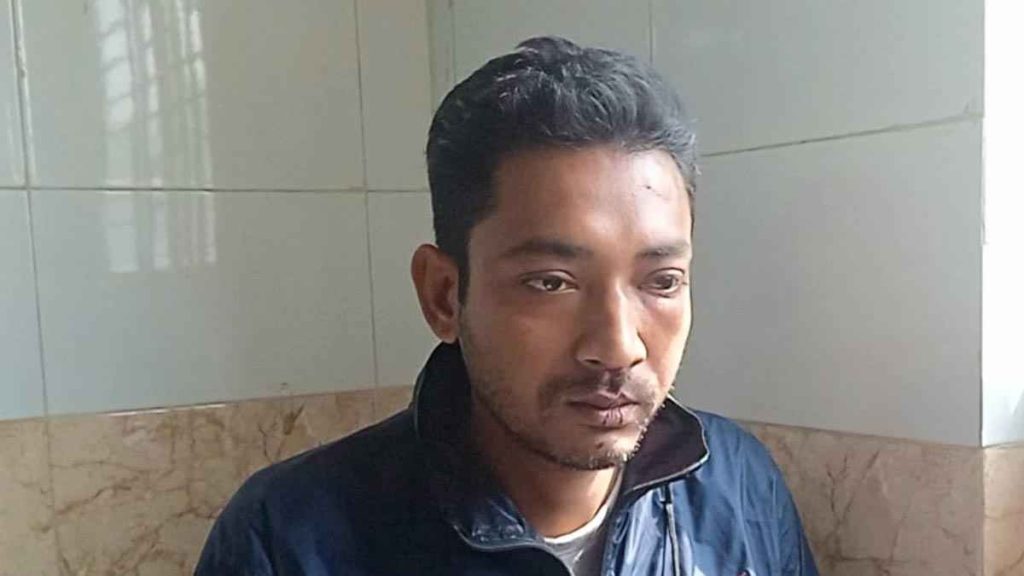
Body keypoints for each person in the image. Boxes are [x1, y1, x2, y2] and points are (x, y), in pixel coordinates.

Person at [195, 36, 818, 576]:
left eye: (661, 282)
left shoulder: (737, 483)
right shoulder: (288, 538)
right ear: (444, 295)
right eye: (551, 283)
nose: (618, 347)